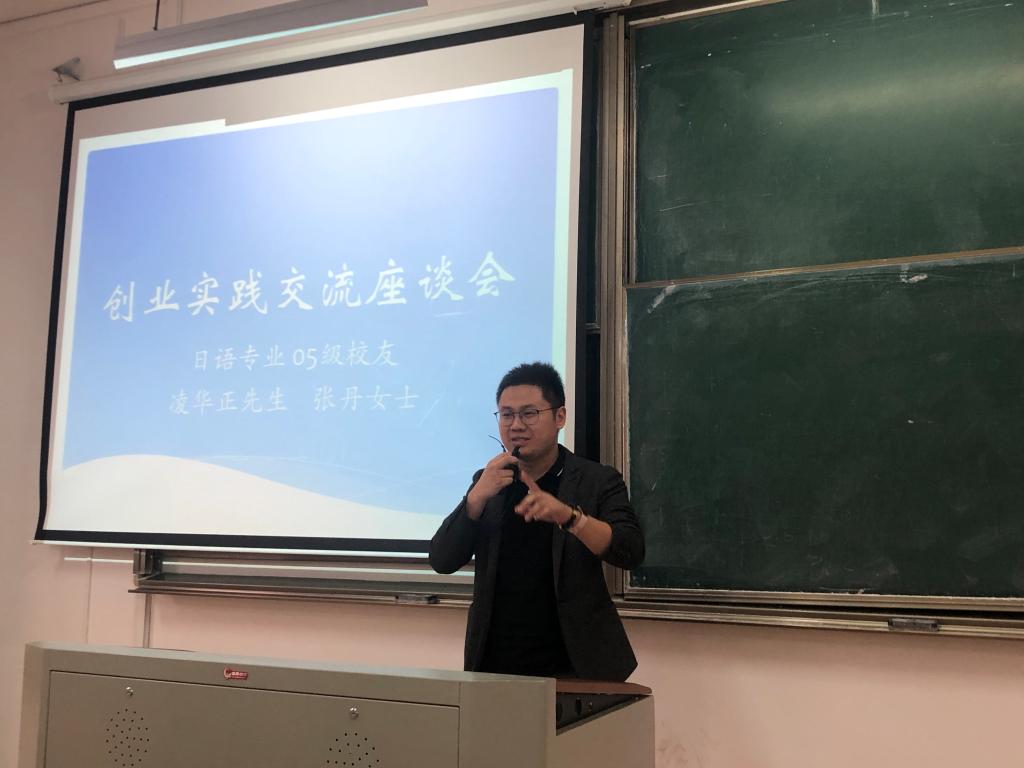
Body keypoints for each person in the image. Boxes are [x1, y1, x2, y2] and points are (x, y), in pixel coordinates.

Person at [429, 362, 644, 681]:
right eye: (506, 414)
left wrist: (569, 517)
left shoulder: (596, 481)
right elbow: (442, 560)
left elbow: (630, 550)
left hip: (576, 666)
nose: (516, 425)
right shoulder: (489, 482)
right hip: (494, 664)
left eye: (529, 414)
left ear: (560, 417)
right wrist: (475, 499)